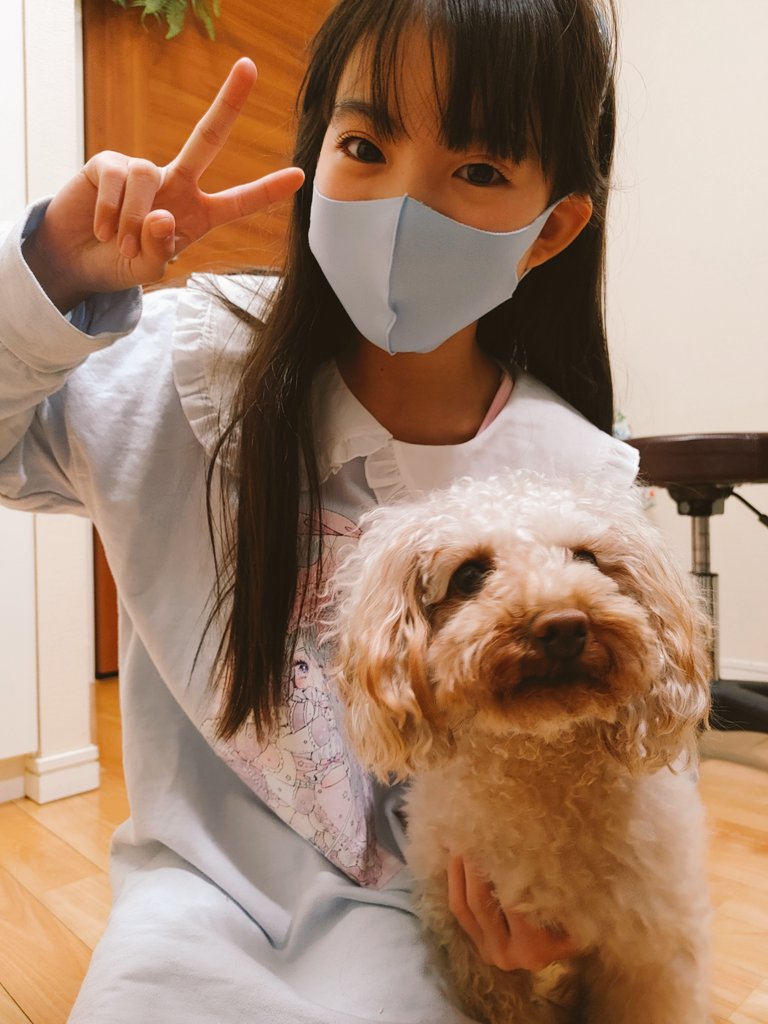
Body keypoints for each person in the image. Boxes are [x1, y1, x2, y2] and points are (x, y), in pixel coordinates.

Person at [0, 0, 639, 1020]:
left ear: (551, 227)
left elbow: (627, 750)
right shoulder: (177, 371)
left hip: (440, 914)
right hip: (195, 900)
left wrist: (567, 917)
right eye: (365, 146)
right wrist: (49, 276)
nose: (401, 205)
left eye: (478, 169)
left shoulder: (574, 477)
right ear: (313, 154)